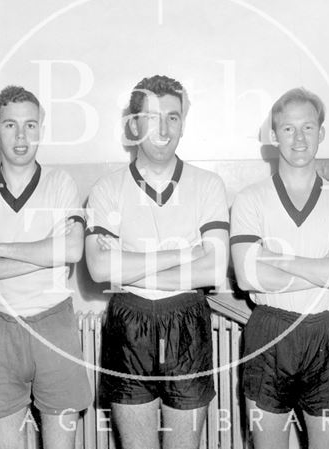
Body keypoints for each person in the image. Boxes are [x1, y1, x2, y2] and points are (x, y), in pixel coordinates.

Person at [85, 75, 229, 449]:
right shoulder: (107, 188)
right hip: (129, 321)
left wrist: (128, 266)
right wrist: (182, 255)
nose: (163, 129)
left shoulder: (208, 185)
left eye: (173, 117)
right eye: (151, 117)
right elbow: (100, 270)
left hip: (187, 319)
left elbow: (212, 270)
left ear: (183, 123)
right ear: (133, 124)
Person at [0, 85, 92, 449]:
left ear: (40, 129)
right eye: (11, 125)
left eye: (30, 125)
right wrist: (44, 255)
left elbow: (72, 249)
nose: (21, 136)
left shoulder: (61, 183)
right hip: (0, 329)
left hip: (54, 325)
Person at [230, 88, 329, 449]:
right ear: (274, 137)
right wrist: (324, 268)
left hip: (326, 335)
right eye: (288, 129)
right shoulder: (250, 199)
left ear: (321, 133)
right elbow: (248, 276)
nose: (299, 138)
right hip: (269, 331)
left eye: (308, 127)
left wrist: (277, 259)